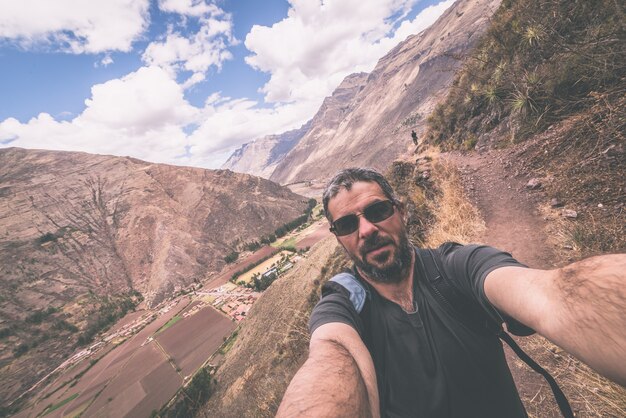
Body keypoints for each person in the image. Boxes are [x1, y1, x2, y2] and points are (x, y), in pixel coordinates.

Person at [277, 167, 626, 418]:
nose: (366, 229)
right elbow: (331, 353)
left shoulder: (456, 265)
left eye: (377, 211)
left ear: (401, 212)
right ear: (339, 238)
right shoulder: (344, 302)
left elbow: (553, 294)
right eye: (348, 224)